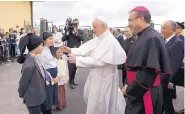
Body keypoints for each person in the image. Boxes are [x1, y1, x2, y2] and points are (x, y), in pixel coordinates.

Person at [62, 16, 126, 114]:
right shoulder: (101, 38)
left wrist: (77, 60)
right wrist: (71, 50)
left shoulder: (109, 40)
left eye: (95, 27)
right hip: (98, 77)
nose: (93, 29)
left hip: (104, 80)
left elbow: (99, 61)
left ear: (104, 26)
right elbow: (87, 48)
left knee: (102, 105)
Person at [122, 6, 172, 114]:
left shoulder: (151, 38)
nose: (129, 24)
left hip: (144, 92)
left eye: (130, 20)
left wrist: (130, 89)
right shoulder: (144, 36)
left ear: (140, 18)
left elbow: (147, 74)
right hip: (140, 91)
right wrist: (127, 83)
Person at [17, 33, 53, 114]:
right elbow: (23, 83)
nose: (42, 47)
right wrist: (22, 95)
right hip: (33, 100)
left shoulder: (35, 57)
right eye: (41, 45)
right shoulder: (29, 65)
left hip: (40, 95)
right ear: (35, 46)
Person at [161, 20, 184, 114]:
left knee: (166, 101)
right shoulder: (164, 40)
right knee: (165, 101)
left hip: (167, 79)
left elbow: (175, 64)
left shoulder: (177, 43)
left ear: (172, 29)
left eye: (164, 28)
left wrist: (170, 81)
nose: (161, 30)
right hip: (162, 77)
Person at [37, 32, 59, 112]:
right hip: (47, 76)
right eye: (50, 38)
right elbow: (41, 67)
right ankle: (46, 111)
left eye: (52, 38)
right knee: (47, 95)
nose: (52, 40)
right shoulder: (41, 51)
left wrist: (58, 75)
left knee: (52, 94)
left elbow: (56, 62)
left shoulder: (52, 49)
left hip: (54, 73)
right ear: (44, 40)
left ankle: (49, 110)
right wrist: (49, 77)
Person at [62, 18, 84, 89]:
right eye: (74, 24)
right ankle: (70, 82)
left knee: (75, 67)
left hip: (77, 51)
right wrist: (68, 33)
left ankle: (73, 81)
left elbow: (82, 38)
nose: (75, 25)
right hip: (70, 51)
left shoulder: (80, 31)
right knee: (71, 67)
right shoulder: (69, 31)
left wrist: (76, 33)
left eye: (77, 24)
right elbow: (63, 39)